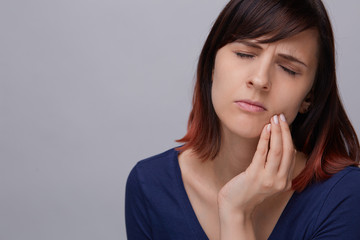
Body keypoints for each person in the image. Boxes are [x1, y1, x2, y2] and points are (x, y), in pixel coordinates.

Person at [125, 0, 360, 239]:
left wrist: (236, 212)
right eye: (244, 54)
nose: (260, 79)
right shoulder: (149, 185)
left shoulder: (345, 196)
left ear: (309, 96)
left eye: (288, 69)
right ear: (211, 67)